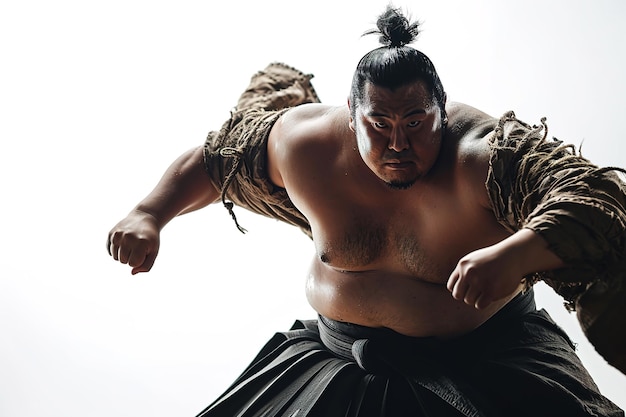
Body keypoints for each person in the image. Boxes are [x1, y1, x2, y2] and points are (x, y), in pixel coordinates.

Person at [107, 6, 625, 417]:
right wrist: (149, 212)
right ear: (351, 119)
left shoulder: (486, 156)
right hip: (335, 359)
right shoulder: (305, 144)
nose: (399, 143)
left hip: (491, 362)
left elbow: (593, 196)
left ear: (443, 112)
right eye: (379, 125)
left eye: (417, 122)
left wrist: (516, 253)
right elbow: (221, 157)